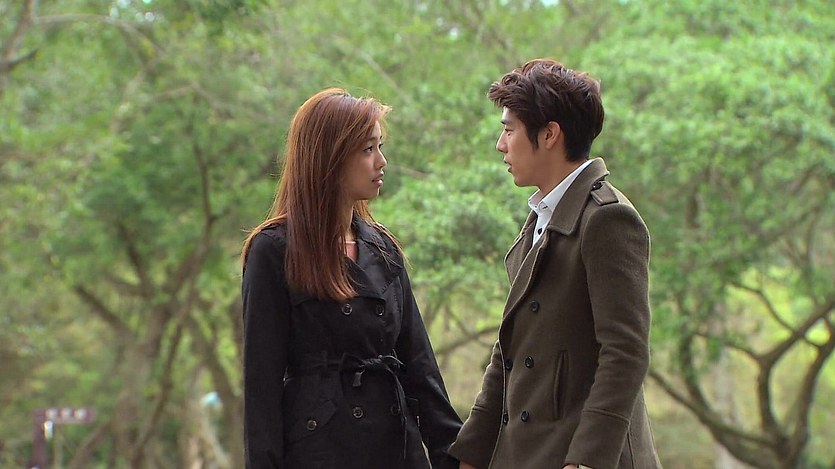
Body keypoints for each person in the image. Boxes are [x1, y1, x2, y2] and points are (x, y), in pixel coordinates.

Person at [448, 59, 662, 469]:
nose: (501, 145)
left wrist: (586, 460)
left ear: (549, 134)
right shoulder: (541, 218)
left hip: (586, 456)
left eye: (509, 130)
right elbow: (509, 352)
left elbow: (625, 351)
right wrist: (473, 451)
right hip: (529, 453)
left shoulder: (607, 218)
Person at [241, 88, 462, 469]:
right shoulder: (274, 250)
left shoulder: (384, 249)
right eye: (367, 149)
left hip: (396, 449)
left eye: (380, 147)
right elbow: (261, 389)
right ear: (330, 157)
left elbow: (421, 368)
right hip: (319, 450)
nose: (381, 161)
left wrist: (454, 456)